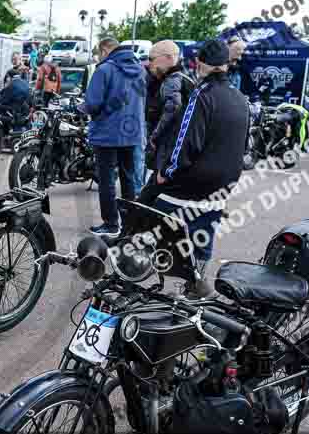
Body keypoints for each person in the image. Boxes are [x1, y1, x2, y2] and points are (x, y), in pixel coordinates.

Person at [140, 39, 249, 298]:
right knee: (203, 236)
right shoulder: (241, 98)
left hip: (194, 185)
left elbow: (186, 142)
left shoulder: (203, 95)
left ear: (200, 64)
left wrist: (166, 171)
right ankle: (198, 287)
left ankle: (134, 264)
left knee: (146, 208)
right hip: (224, 186)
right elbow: (246, 147)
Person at [78, 37, 147, 238]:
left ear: (106, 50)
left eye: (100, 53)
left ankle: (110, 223)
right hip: (132, 132)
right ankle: (129, 223)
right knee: (128, 179)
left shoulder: (105, 69)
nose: (99, 57)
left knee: (106, 179)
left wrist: (82, 108)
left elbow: (93, 103)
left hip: (107, 134)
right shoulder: (140, 70)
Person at [145, 40, 196, 185]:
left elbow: (173, 109)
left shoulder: (172, 80)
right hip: (180, 147)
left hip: (169, 145)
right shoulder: (187, 78)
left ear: (168, 58)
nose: (149, 64)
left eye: (152, 58)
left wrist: (154, 136)